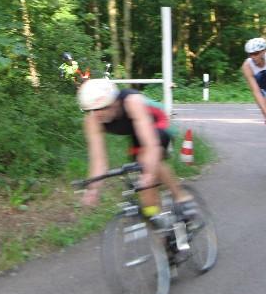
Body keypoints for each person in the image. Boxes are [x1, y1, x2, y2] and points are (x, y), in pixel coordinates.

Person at [76, 79, 194, 227]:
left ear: (115, 101)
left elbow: (151, 146)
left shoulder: (132, 102)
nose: (98, 114)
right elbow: (99, 161)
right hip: (137, 131)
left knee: (147, 163)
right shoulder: (92, 121)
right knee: (145, 191)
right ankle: (160, 224)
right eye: (92, 110)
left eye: (103, 108)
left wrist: (149, 174)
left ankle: (181, 197)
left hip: (158, 122)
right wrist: (93, 189)